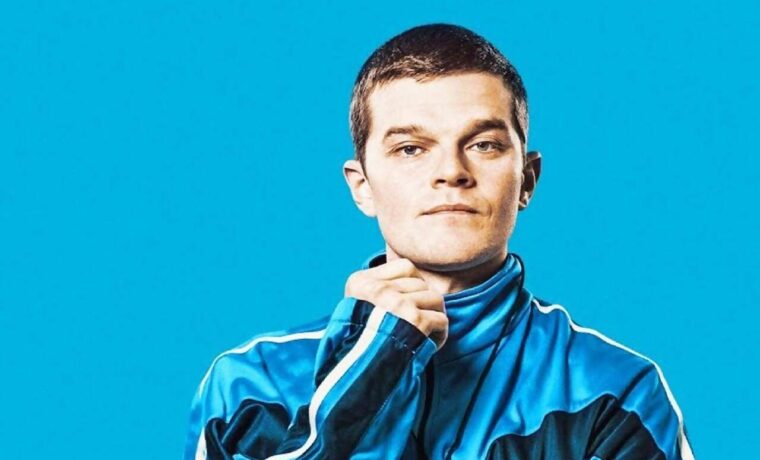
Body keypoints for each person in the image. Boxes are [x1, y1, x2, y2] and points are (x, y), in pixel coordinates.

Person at [183, 23, 695, 459]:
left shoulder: (616, 391)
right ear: (362, 186)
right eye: (411, 148)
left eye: (484, 144)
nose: (451, 171)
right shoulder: (247, 386)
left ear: (527, 180)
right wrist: (366, 380)